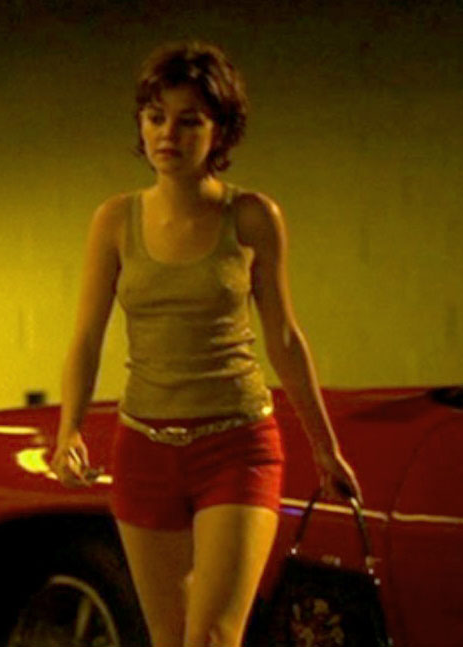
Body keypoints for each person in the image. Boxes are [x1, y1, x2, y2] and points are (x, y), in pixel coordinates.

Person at [51, 41, 362, 647]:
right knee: (169, 639)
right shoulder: (114, 220)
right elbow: (87, 336)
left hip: (236, 445)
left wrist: (326, 449)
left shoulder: (251, 217)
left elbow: (284, 336)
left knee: (215, 636)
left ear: (219, 130)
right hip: (145, 447)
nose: (167, 134)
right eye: (155, 117)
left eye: (188, 120)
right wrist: (70, 430)